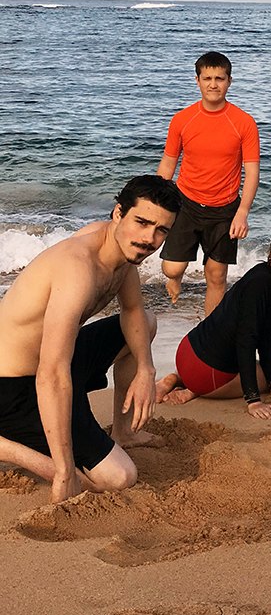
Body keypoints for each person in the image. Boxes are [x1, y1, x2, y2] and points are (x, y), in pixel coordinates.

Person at [0, 175, 181, 504]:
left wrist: (145, 368)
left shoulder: (120, 251)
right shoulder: (77, 270)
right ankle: (14, 448)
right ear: (118, 213)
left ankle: (124, 431)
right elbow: (51, 374)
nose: (149, 238)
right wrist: (64, 470)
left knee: (146, 323)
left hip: (56, 362)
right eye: (142, 222)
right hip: (14, 387)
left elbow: (133, 311)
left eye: (161, 230)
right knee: (120, 477)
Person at [155, 226, 271, 418]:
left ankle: (177, 378)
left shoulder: (263, 275)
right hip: (206, 373)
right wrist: (253, 400)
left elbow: (262, 339)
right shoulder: (262, 286)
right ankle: (194, 389)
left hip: (187, 354)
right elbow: (247, 343)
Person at [157, 51, 260, 316]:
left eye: (220, 78)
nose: (213, 84)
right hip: (186, 204)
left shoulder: (244, 123)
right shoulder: (182, 119)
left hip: (225, 210)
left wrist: (242, 213)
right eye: (207, 78)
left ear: (229, 81)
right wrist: (155, 202)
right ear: (198, 81)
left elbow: (252, 172)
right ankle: (175, 278)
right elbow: (168, 165)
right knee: (172, 268)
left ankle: (209, 331)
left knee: (216, 276)